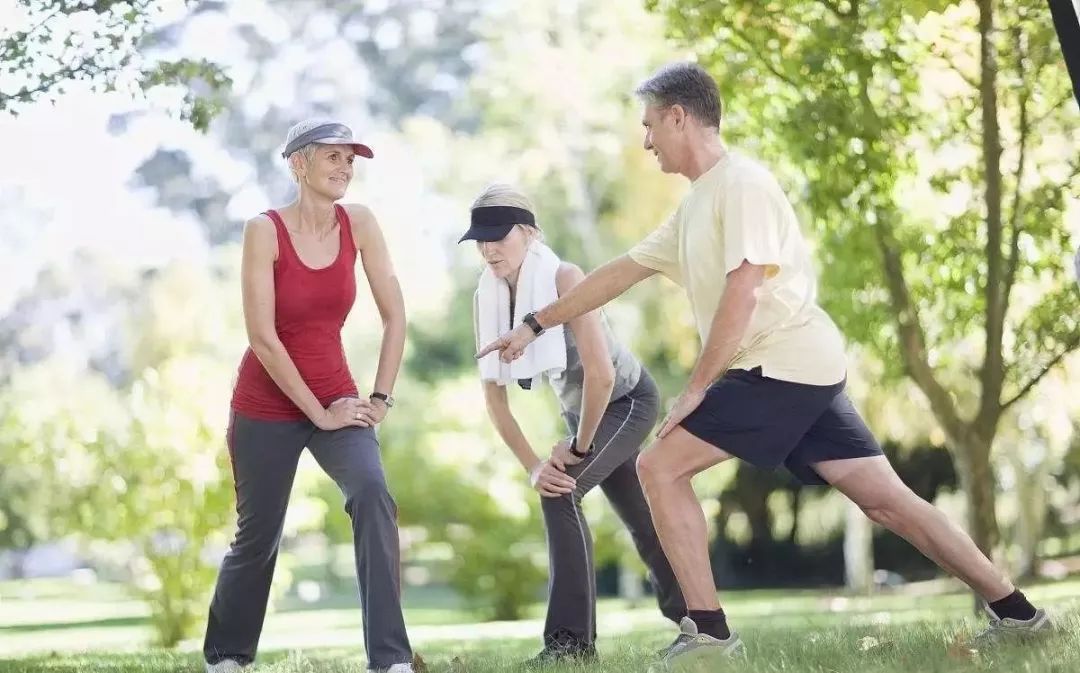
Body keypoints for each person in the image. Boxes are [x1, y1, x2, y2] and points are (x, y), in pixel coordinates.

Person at [477, 63, 1052, 670]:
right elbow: (619, 273)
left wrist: (697, 388)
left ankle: (709, 632)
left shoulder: (742, 183)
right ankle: (1020, 616)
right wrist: (536, 323)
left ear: (680, 117)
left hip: (778, 365)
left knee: (660, 466)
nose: (646, 141)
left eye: (650, 126)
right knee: (886, 501)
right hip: (798, 369)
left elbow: (744, 289)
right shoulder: (696, 203)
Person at [203, 119, 414, 673]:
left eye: (351, 161)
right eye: (333, 159)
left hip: (338, 397)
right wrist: (317, 413)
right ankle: (227, 657)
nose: (345, 170)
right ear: (299, 164)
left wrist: (381, 398)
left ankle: (390, 660)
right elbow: (263, 338)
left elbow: (395, 317)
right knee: (258, 533)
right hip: (266, 403)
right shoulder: (264, 230)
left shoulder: (360, 223)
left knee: (372, 494)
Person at [462, 184, 685, 665]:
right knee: (640, 519)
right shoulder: (488, 297)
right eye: (480, 239)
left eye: (498, 236)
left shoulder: (565, 277)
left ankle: (570, 646)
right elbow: (495, 401)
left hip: (625, 400)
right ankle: (700, 621)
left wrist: (577, 451)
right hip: (582, 412)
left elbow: (602, 376)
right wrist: (533, 466)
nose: (488, 249)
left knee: (562, 492)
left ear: (529, 232)